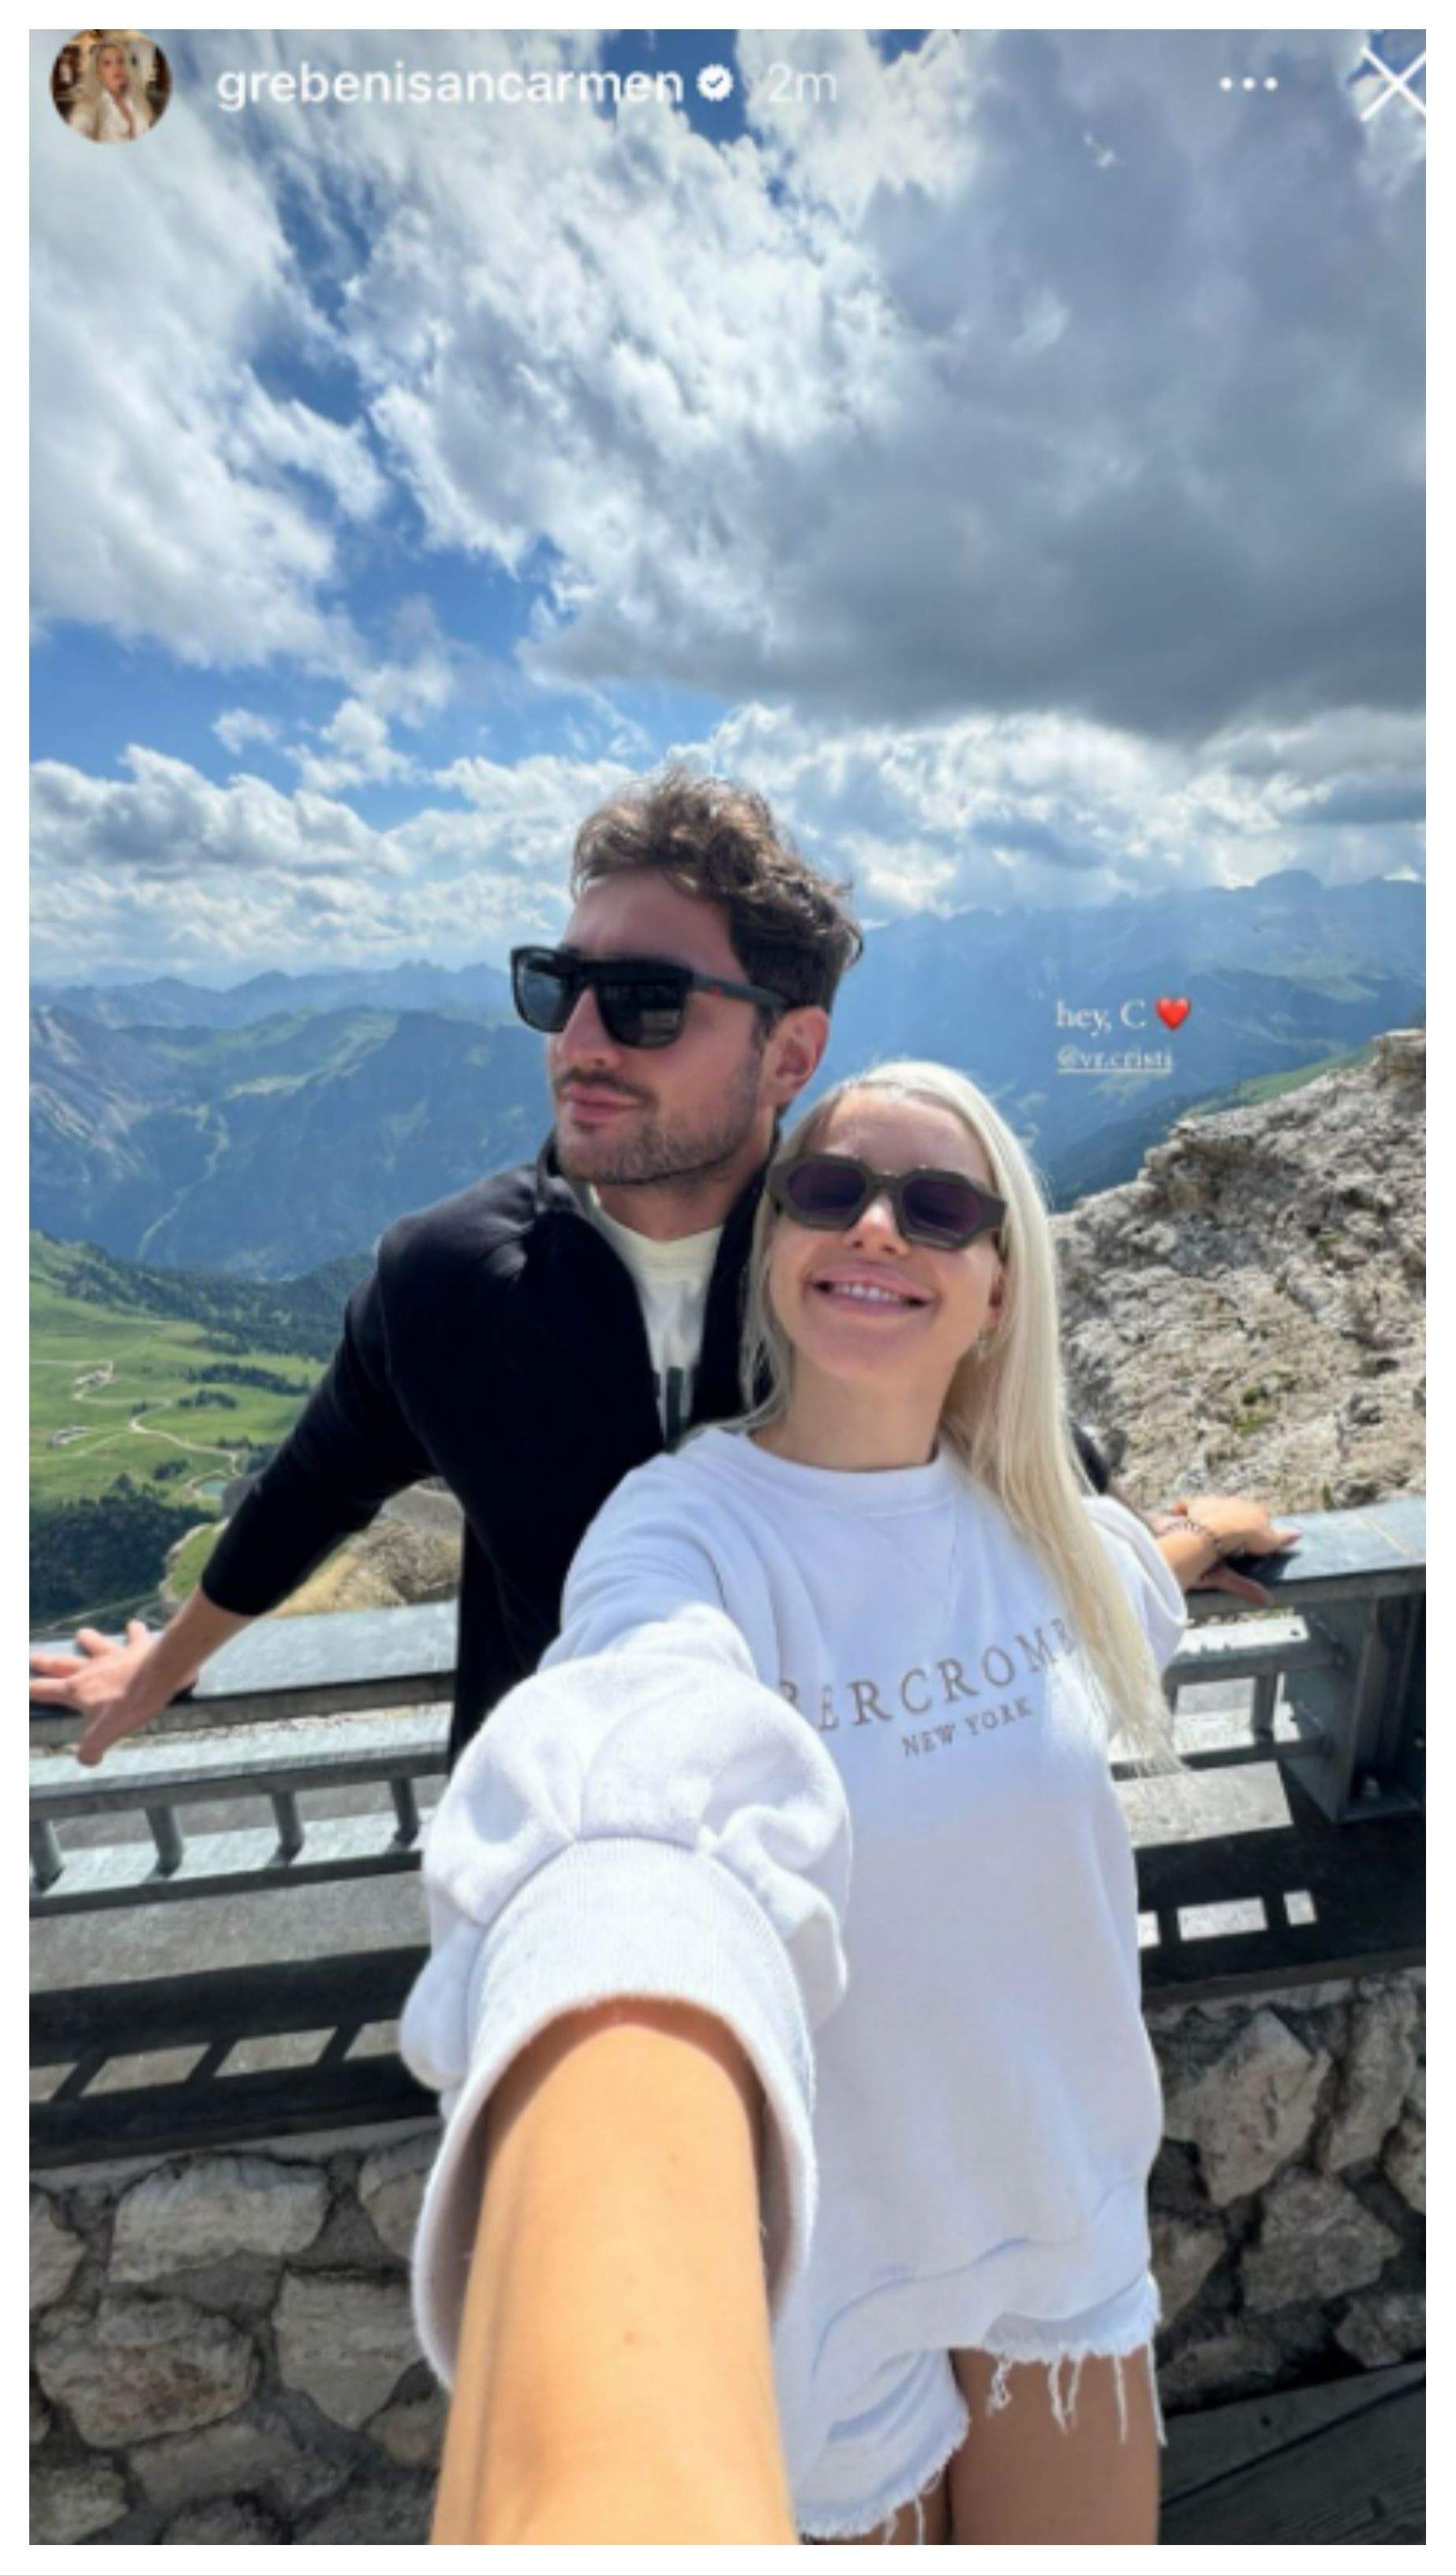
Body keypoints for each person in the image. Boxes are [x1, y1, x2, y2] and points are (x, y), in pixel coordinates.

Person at [399, 1057, 1301, 2543]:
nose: (877, 1227)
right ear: (777, 1246)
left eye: (938, 1207)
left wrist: (1208, 1526)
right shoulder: (684, 1530)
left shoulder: (1046, 1528)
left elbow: (1136, 1570)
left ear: (999, 1286)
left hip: (1056, 2213)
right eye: (830, 1191)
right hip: (821, 2272)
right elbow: (642, 1734)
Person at [28, 769, 1290, 1770]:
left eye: (643, 999)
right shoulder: (443, 1278)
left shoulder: (858, 1273)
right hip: (555, 1833)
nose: (578, 1039)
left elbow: (1029, 1470)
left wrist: (1166, 1543)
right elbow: (311, 1493)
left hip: (843, 1834)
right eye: (559, 986)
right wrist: (162, 1665)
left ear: (790, 1053)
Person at [66, 35, 155, 142]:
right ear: (98, 73)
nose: (117, 68)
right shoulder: (89, 105)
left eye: (120, 62)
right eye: (107, 63)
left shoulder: (137, 99)